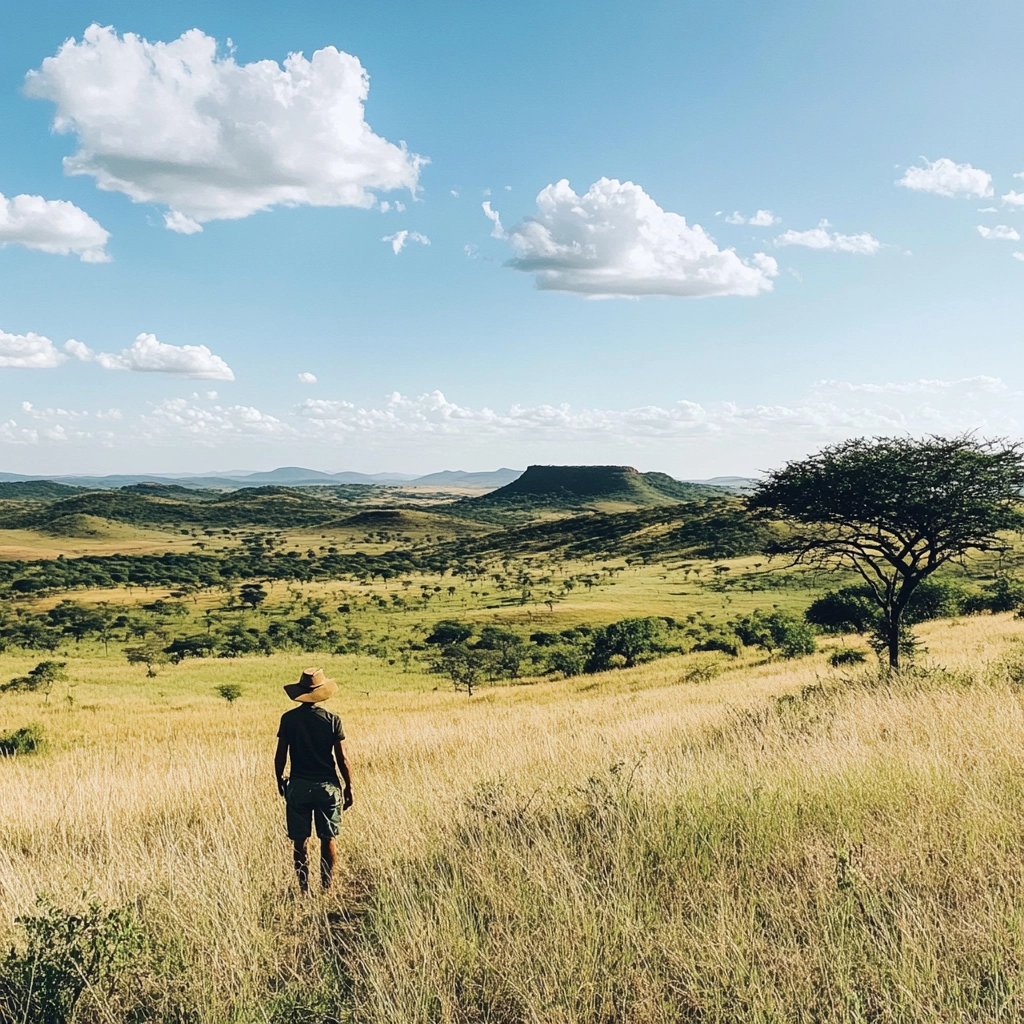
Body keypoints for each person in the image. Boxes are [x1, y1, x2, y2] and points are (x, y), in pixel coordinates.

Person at [274, 667, 353, 893]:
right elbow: (343, 759)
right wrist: (349, 787)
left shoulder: (288, 719)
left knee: (300, 841)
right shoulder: (332, 720)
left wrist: (280, 779)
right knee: (328, 839)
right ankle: (327, 889)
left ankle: (304, 888)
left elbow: (281, 755)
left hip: (298, 785)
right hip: (328, 787)